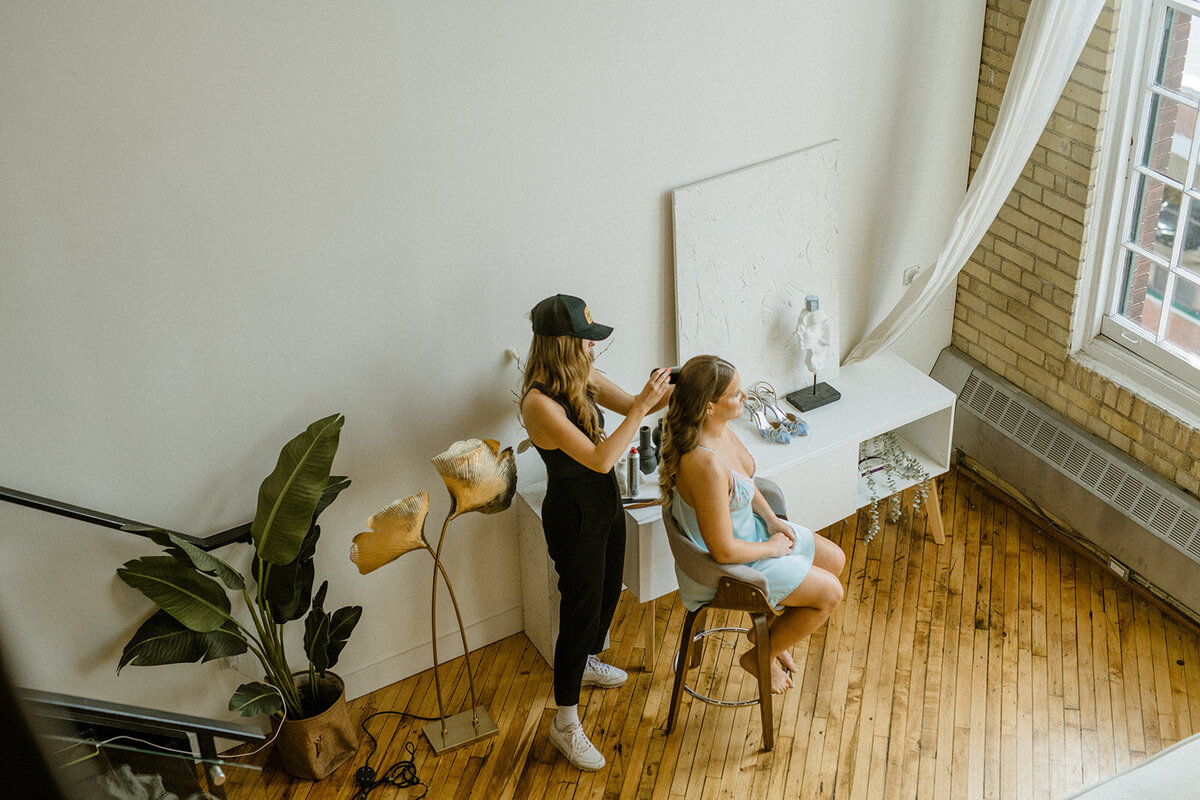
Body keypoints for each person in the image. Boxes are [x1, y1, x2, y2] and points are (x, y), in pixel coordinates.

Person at [520, 293, 672, 771]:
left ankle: (585, 661)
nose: (592, 349)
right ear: (563, 344)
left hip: (605, 502)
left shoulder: (581, 376)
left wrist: (681, 384)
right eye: (586, 341)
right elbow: (602, 457)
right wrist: (642, 406)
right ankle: (564, 722)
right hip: (573, 514)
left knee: (609, 593)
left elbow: (635, 406)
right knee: (579, 610)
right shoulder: (539, 403)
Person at [658, 355, 845, 694]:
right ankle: (760, 654)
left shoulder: (721, 429)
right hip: (728, 567)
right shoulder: (704, 466)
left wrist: (772, 521)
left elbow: (744, 478)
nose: (743, 397)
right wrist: (772, 548)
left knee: (835, 560)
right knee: (830, 593)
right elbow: (723, 549)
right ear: (710, 406)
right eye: (735, 394)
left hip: (754, 535)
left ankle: (770, 633)